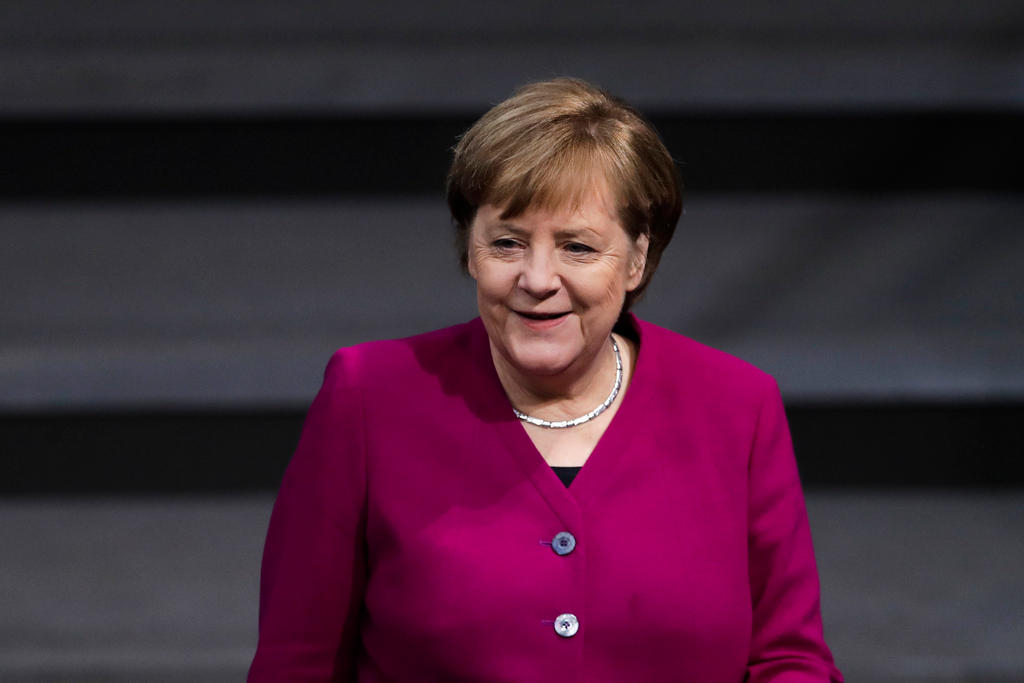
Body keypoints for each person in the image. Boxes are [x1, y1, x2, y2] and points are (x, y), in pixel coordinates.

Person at [248, 77, 843, 682]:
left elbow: (789, 659)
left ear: (637, 256)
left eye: (577, 248)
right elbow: (296, 663)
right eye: (507, 243)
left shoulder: (737, 405)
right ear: (470, 250)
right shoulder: (369, 395)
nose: (537, 277)